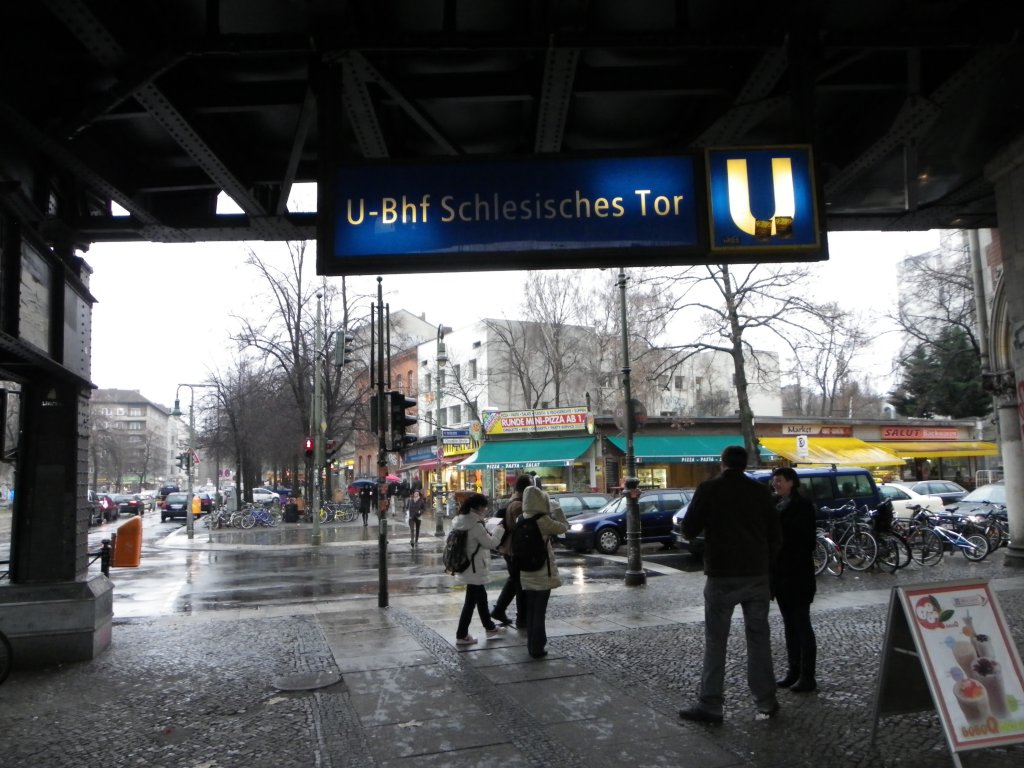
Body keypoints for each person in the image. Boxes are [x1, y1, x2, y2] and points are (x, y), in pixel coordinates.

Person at [678, 444, 782, 724]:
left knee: (716, 641)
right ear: (745, 464)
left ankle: (711, 704)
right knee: (759, 639)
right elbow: (775, 535)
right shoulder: (760, 492)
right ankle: (766, 701)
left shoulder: (709, 489)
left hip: (722, 574)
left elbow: (689, 529)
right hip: (757, 573)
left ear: (723, 463)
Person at [771, 467, 818, 693]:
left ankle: (807, 675)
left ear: (791, 482)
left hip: (798, 575)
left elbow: (807, 542)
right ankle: (793, 671)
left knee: (801, 624)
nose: (775, 484)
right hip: (781, 576)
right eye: (774, 481)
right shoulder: (776, 504)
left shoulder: (802, 505)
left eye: (779, 480)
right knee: (790, 625)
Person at [517, 485, 568, 659]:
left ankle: (532, 645)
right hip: (542, 572)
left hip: (525, 572)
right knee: (540, 612)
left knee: (531, 611)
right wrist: (557, 509)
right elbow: (564, 527)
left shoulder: (520, 518)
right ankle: (537, 648)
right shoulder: (543, 520)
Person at [453, 493, 506, 646]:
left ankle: (489, 627)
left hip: (467, 565)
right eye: (484, 507)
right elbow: (491, 543)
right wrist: (499, 530)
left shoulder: (461, 520)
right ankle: (461, 635)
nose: (485, 509)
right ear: (478, 507)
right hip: (475, 567)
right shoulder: (475, 525)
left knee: (481, 598)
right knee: (470, 603)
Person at [491, 475, 533, 628]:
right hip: (514, 549)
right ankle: (522, 618)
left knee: (515, 581)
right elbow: (522, 527)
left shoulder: (513, 501)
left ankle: (499, 610)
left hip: (509, 549)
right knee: (520, 584)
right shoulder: (518, 506)